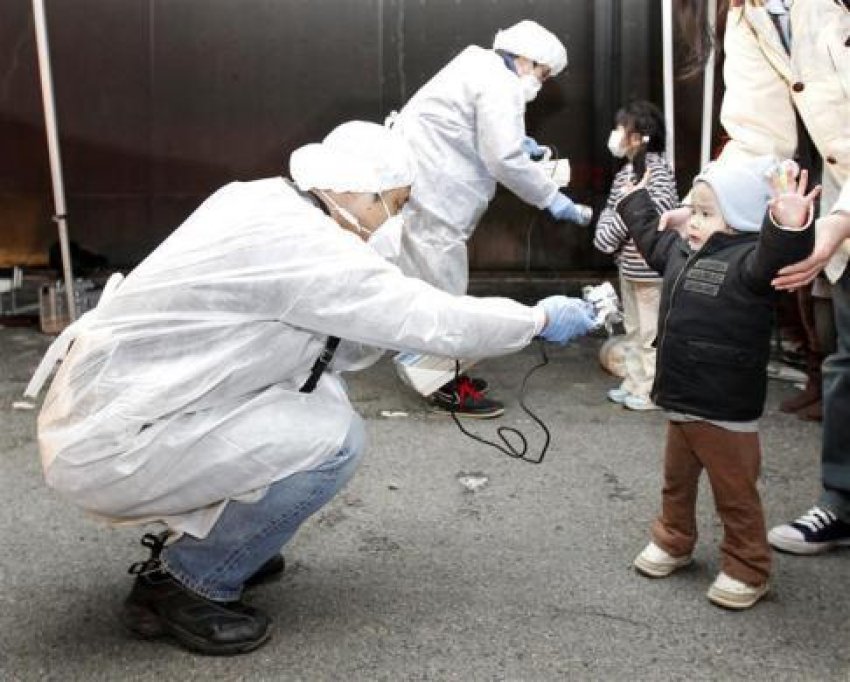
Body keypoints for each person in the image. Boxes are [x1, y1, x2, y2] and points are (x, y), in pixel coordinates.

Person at [23, 121, 596, 655]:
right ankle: (186, 582)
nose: (395, 222)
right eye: (395, 205)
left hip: (109, 407)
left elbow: (333, 345)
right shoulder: (315, 253)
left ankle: (229, 543)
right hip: (116, 444)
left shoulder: (261, 199)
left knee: (318, 399)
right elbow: (430, 319)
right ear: (358, 192)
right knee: (334, 439)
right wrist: (537, 320)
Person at [668, 0, 850, 555]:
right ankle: (843, 502)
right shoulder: (750, 14)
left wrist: (838, 222)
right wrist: (706, 200)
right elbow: (754, 136)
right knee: (848, 358)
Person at [622, 157, 818, 609]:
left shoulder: (751, 263)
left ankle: (748, 568)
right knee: (676, 482)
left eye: (707, 213)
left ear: (743, 218)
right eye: (694, 209)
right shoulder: (680, 251)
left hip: (726, 408)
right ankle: (673, 540)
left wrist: (787, 224)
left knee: (735, 494)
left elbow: (780, 253)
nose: (693, 221)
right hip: (681, 399)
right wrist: (636, 200)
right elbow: (652, 239)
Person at [389, 19, 592, 418]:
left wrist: (519, 143)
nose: (541, 83)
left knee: (428, 290)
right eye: (543, 73)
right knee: (444, 295)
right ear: (527, 60)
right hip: (437, 201)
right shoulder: (499, 83)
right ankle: (443, 385)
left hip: (424, 192)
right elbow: (503, 157)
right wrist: (552, 198)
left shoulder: (476, 65)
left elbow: (475, 133)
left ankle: (443, 372)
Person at [593, 100, 678, 411]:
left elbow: (656, 215)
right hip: (630, 266)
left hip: (648, 269)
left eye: (621, 128)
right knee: (635, 330)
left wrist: (608, 234)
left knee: (649, 334)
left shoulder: (656, 171)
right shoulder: (630, 170)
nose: (615, 135)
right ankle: (633, 380)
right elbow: (618, 215)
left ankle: (650, 389)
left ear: (641, 136)